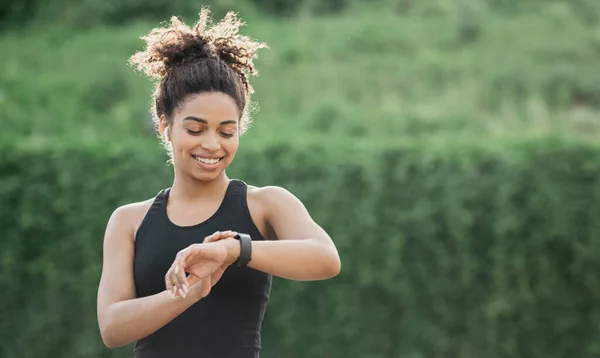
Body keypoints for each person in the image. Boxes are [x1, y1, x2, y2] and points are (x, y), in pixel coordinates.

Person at [96, 8, 341, 358]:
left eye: (227, 131)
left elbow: (325, 258)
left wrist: (231, 250)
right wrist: (191, 291)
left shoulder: (264, 204)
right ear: (165, 126)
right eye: (195, 130)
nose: (212, 144)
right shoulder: (129, 221)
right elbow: (112, 326)